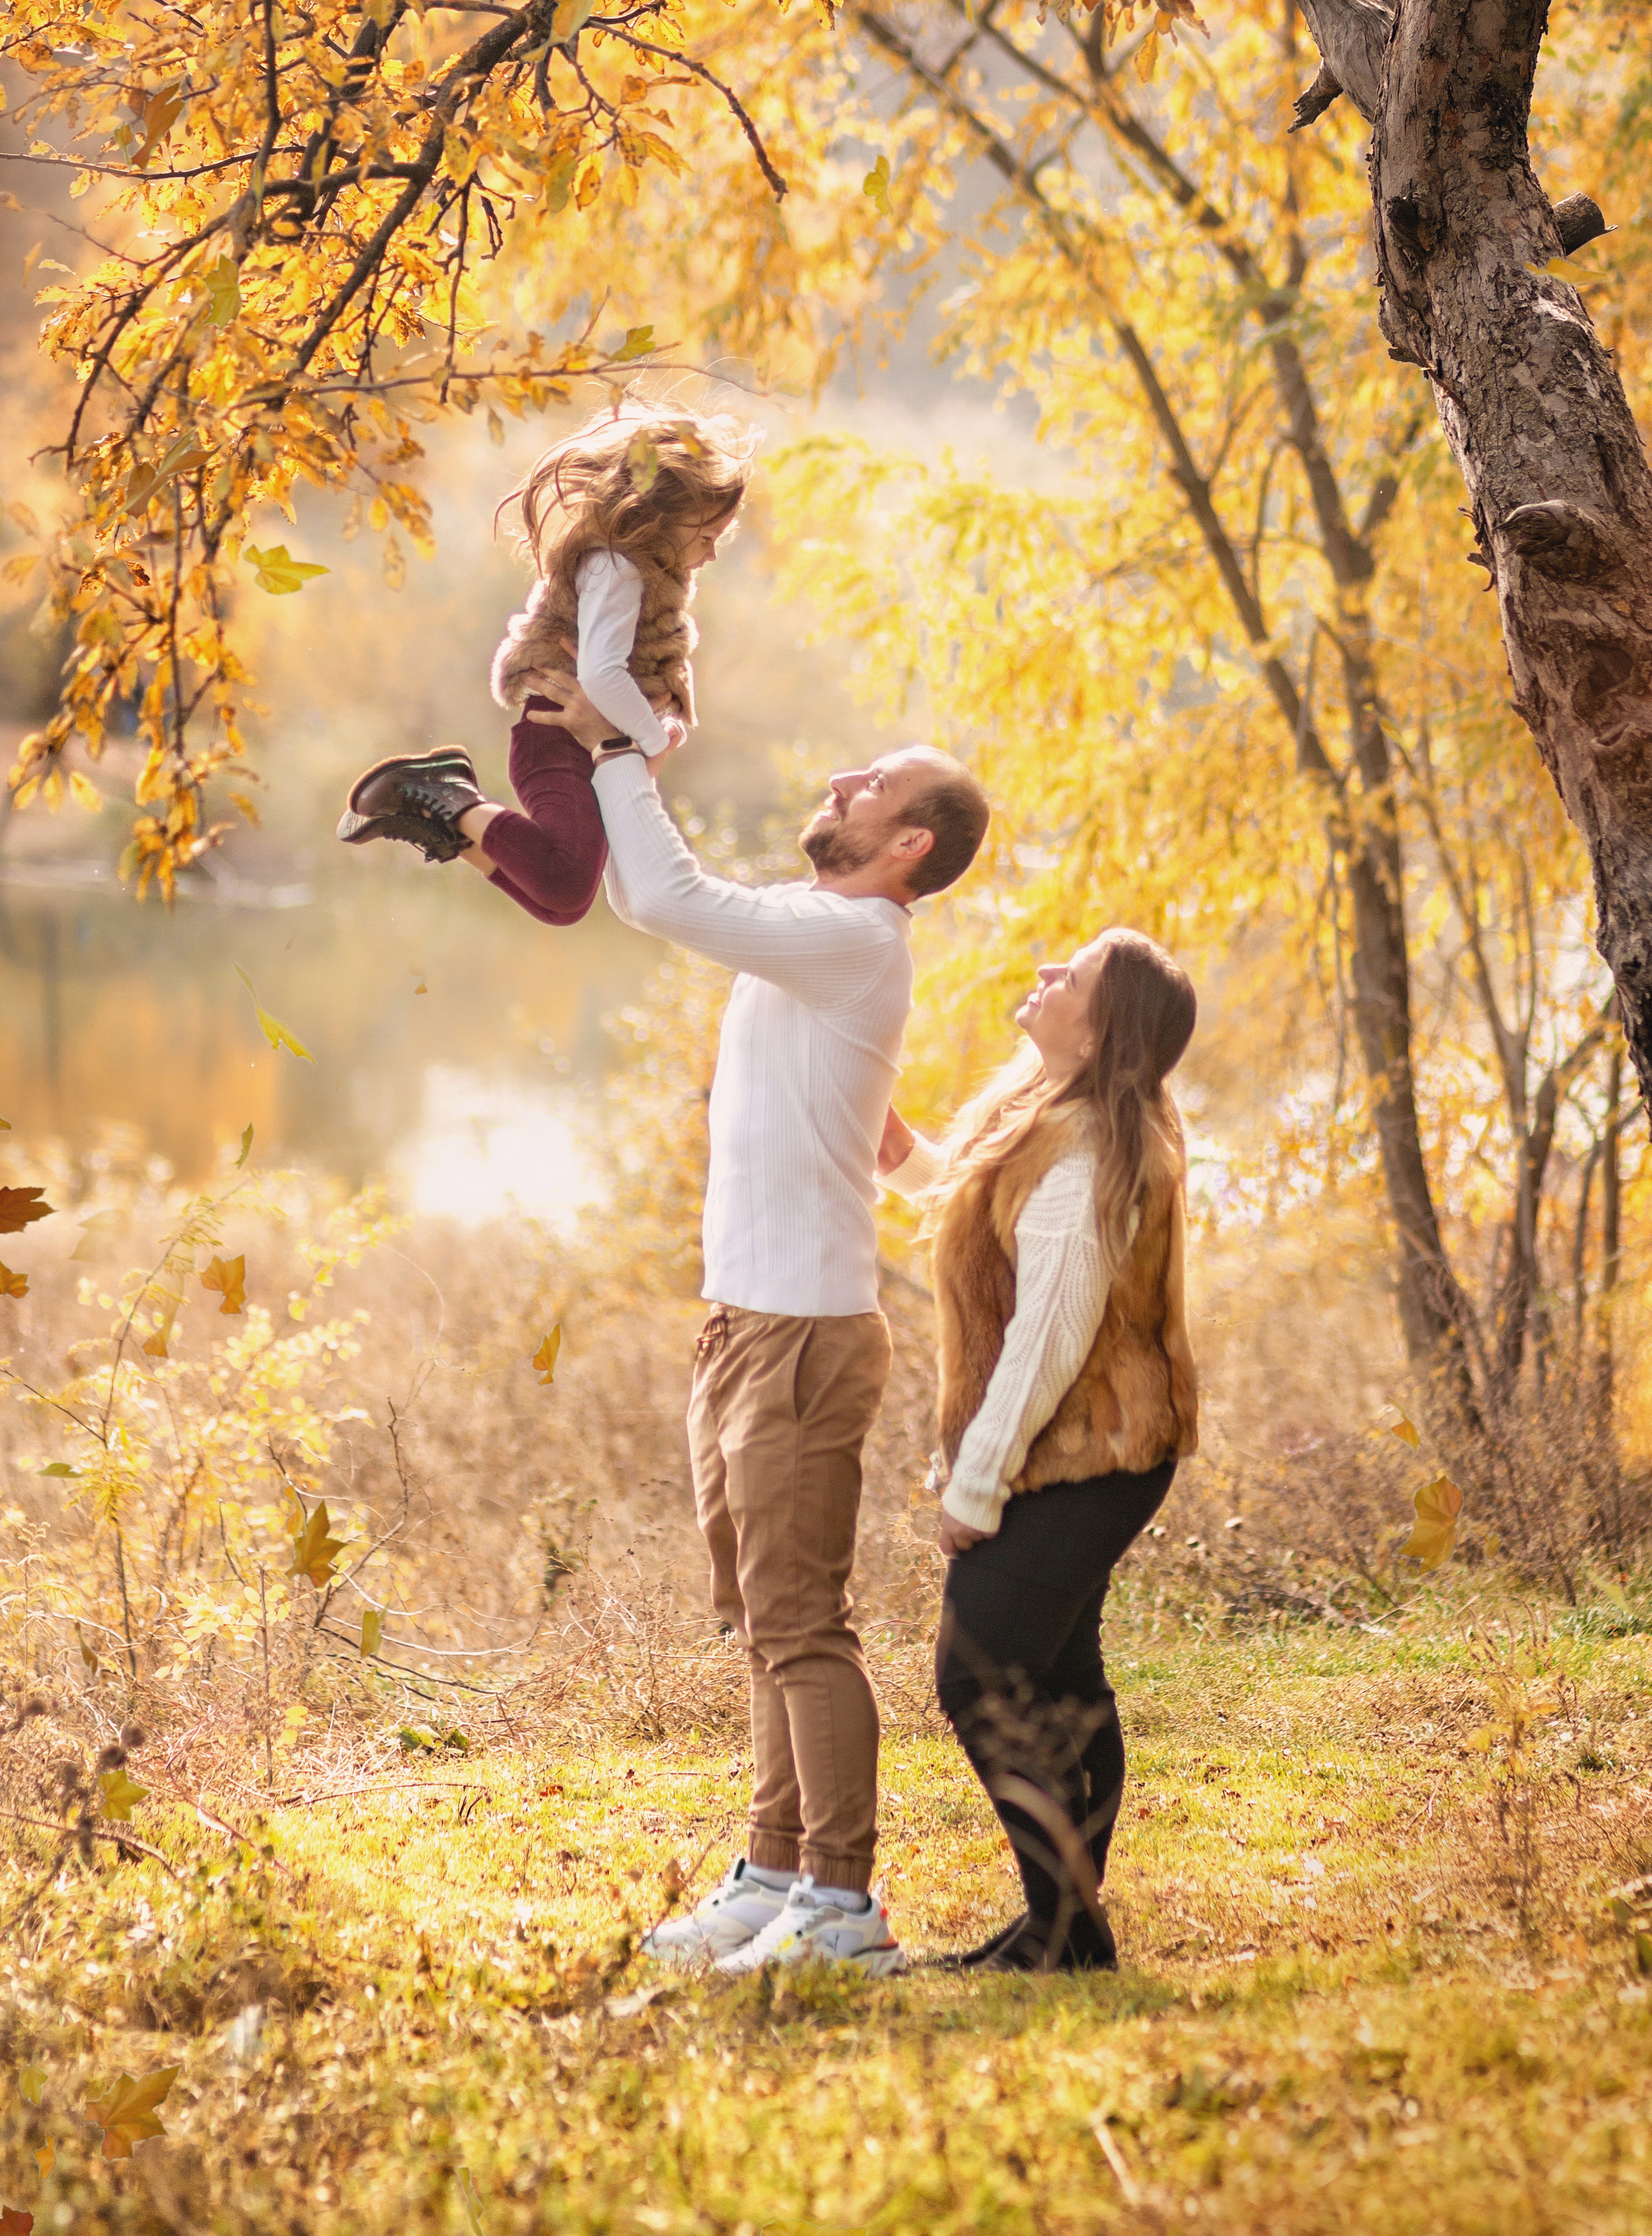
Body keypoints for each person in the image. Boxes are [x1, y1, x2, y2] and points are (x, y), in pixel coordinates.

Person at [528, 663, 990, 1975]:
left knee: (802, 1626)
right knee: (759, 1621)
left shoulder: (853, 936)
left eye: (875, 784)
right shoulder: (813, 931)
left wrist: (620, 747)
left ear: (909, 846)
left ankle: (841, 1910)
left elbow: (671, 896)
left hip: (799, 1334)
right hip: (739, 1325)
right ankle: (776, 1872)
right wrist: (617, 769)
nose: (841, 779)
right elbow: (640, 892)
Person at [880, 929, 1198, 1975]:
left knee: (979, 1676)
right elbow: (977, 1215)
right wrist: (898, 1149)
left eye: (1073, 978)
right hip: (1085, 1442)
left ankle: (1067, 1931)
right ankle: (1061, 1929)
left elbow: (1052, 1332)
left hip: (1092, 1445)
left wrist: (977, 1482)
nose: (1045, 977)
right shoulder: (1049, 1117)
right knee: (1059, 1676)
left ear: (1103, 1025)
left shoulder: (1099, 1144)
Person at [335, 406, 752, 917]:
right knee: (562, 882)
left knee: (562, 906)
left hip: (584, 743)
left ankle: (447, 822)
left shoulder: (642, 571)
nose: (711, 556)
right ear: (663, 517)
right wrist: (650, 742)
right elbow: (600, 672)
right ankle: (445, 793)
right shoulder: (618, 566)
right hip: (556, 737)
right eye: (708, 538)